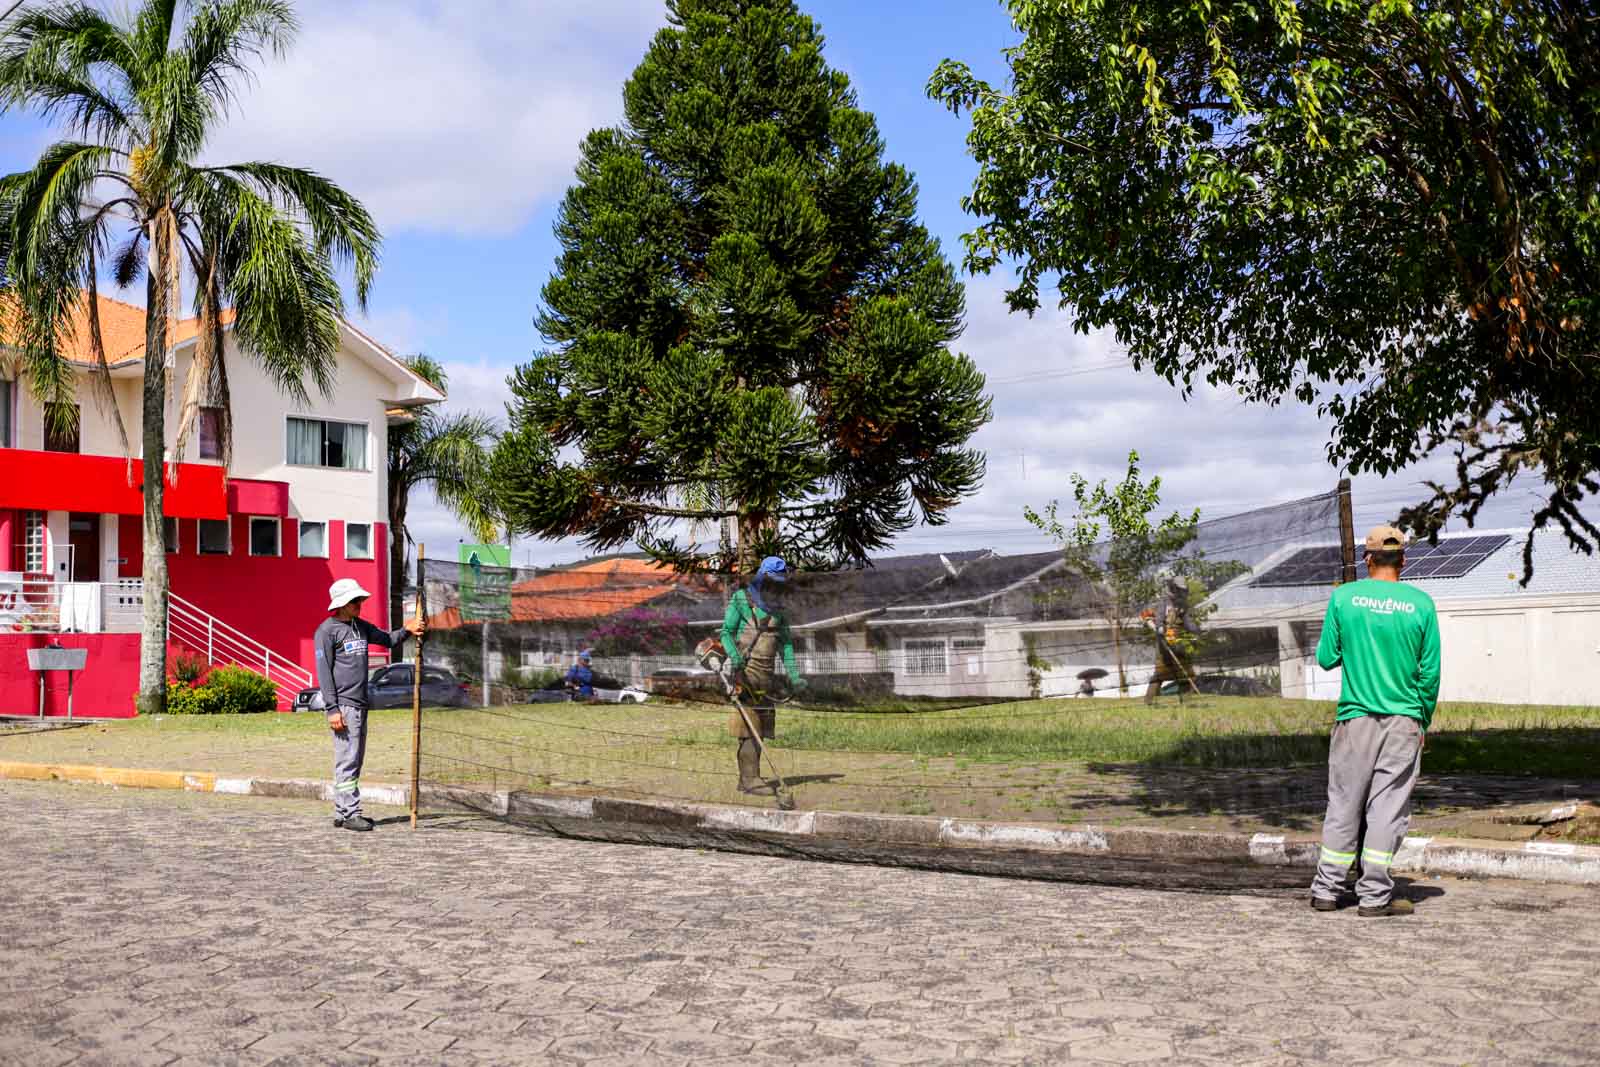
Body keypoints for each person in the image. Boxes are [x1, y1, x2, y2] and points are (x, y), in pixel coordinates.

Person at [1308, 526, 1440, 917]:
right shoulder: (1422, 604)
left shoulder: (1344, 598)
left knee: (1344, 804)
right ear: (1403, 560)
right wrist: (1422, 722)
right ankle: (1374, 897)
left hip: (1354, 719)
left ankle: (1326, 891)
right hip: (1404, 721)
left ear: (1367, 559)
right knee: (1387, 808)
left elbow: (1326, 658)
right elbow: (1430, 674)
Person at [314, 578, 423, 832]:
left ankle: (342, 811)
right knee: (347, 760)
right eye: (354, 601)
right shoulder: (326, 632)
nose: (359, 604)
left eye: (360, 600)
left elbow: (388, 640)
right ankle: (350, 813)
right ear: (341, 604)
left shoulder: (361, 627)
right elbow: (324, 673)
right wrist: (332, 709)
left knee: (354, 759)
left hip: (361, 704)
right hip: (343, 706)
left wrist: (409, 628)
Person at [720, 556, 805, 794]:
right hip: (743, 676)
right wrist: (734, 656)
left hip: (766, 679)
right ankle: (751, 780)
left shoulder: (779, 609)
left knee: (761, 728)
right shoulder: (741, 599)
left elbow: (785, 645)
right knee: (749, 728)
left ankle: (746, 779)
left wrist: (794, 676)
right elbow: (726, 632)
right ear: (762, 577)